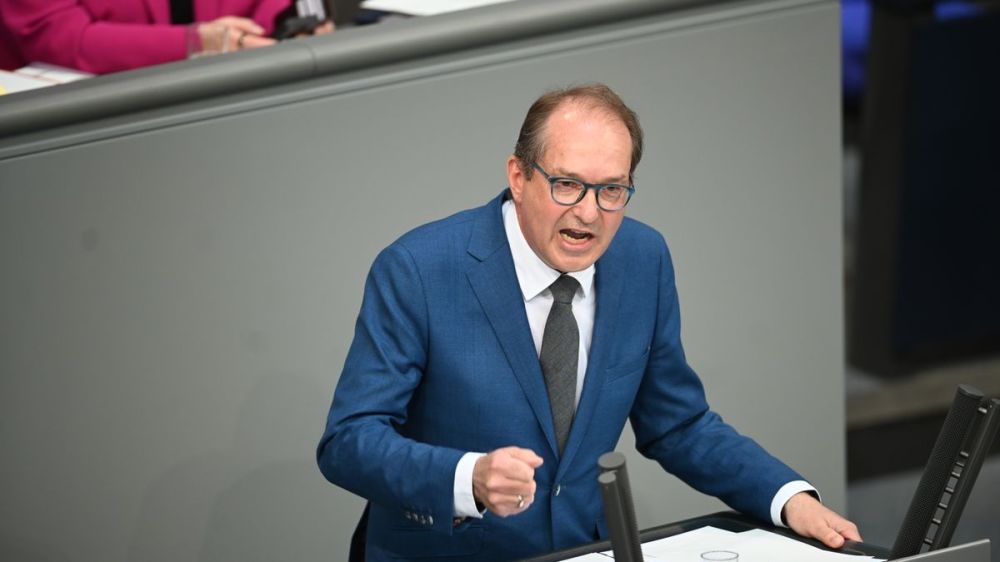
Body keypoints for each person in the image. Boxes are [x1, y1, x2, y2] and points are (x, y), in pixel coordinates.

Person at [316, 83, 861, 561]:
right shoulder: (418, 269)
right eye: (567, 184)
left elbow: (678, 424)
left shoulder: (642, 259)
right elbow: (348, 440)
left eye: (611, 190)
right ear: (518, 176)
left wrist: (788, 498)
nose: (589, 212)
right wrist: (469, 478)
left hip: (583, 551)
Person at [0, 0, 334, 74]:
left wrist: (292, 30)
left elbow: (278, 9)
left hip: (229, 103)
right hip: (69, 128)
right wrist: (197, 43)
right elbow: (58, 38)